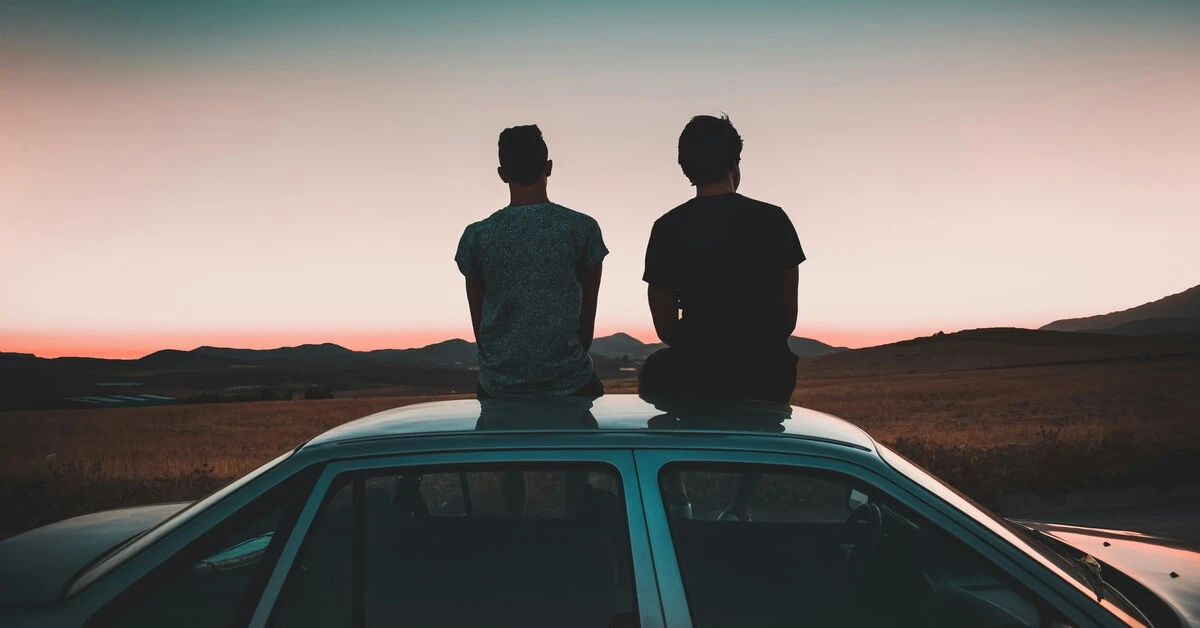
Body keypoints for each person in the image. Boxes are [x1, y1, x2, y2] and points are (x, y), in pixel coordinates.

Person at [640, 114, 806, 404]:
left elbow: (665, 327)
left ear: (686, 167)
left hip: (694, 373)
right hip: (766, 374)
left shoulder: (667, 227)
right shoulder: (773, 219)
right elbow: (786, 320)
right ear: (735, 162)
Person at [455, 124, 608, 399]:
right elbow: (586, 322)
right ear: (548, 167)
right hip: (570, 383)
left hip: (498, 386)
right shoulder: (582, 229)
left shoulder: (476, 236)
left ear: (502, 175)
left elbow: (480, 326)